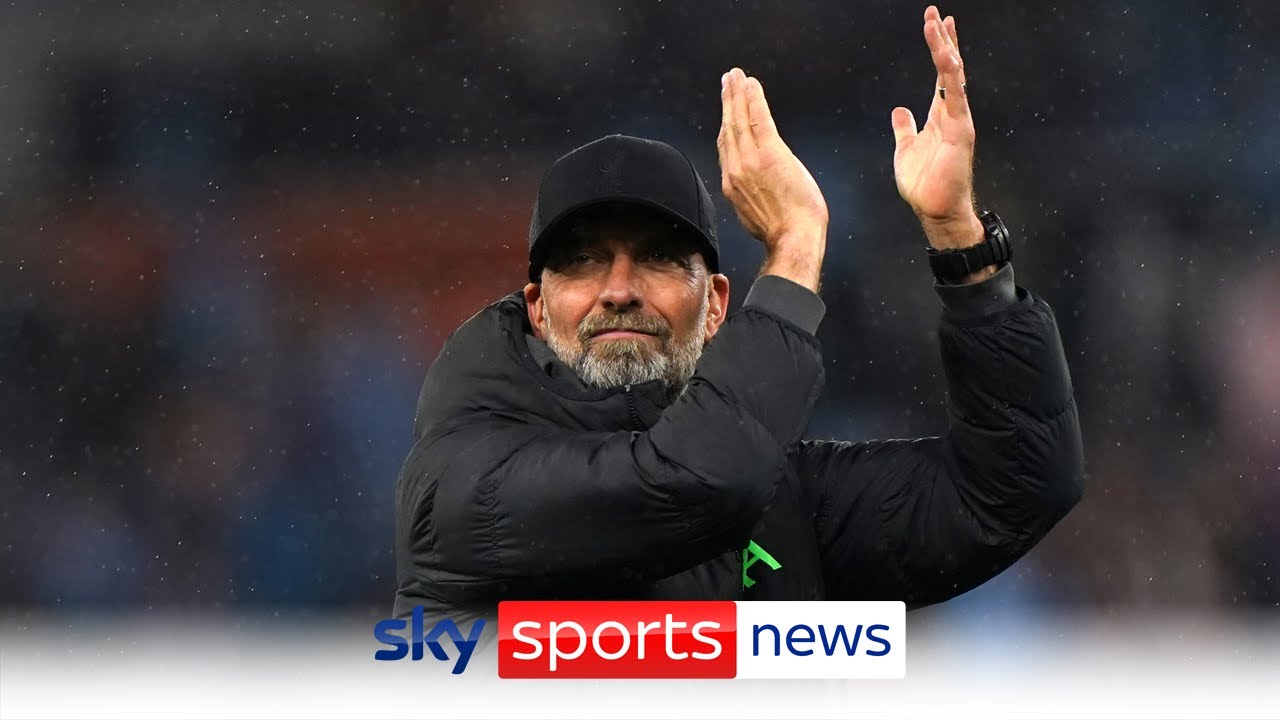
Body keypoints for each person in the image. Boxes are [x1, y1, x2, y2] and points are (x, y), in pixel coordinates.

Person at [393, 6, 1083, 624]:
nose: (620, 288)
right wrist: (794, 246)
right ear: (536, 310)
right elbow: (688, 484)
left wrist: (961, 242)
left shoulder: (784, 498)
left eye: (661, 260)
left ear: (718, 305)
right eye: (583, 262)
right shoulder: (461, 478)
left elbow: (1015, 489)